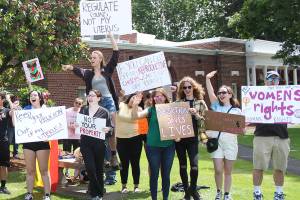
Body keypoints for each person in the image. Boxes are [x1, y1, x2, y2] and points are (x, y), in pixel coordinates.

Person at [62, 33, 119, 184]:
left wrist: (111, 37)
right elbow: (78, 70)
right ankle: (103, 165)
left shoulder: (107, 71)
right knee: (99, 136)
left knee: (112, 129)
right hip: (96, 106)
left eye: (94, 57)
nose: (91, 59)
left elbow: (116, 53)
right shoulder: (88, 74)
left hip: (108, 102)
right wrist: (70, 67)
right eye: (91, 57)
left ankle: (113, 155)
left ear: (100, 59)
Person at [132, 88, 175, 200]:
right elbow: (136, 116)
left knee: (166, 175)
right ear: (153, 99)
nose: (158, 98)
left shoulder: (172, 109)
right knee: (154, 174)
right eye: (156, 96)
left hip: (169, 147)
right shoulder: (150, 110)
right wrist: (136, 103)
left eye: (161, 95)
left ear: (165, 97)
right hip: (153, 147)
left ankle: (165, 198)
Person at [252, 71, 289, 200]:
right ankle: (257, 192)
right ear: (265, 81)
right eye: (270, 79)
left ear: (279, 81)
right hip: (262, 135)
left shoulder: (286, 95)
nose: (273, 81)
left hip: (282, 136)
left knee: (280, 167)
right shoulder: (257, 95)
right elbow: (251, 114)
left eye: (276, 79)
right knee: (258, 166)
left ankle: (278, 193)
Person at [206, 71, 242, 200]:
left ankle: (227, 194)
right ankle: (218, 192)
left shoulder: (237, 111)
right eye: (219, 93)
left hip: (231, 144)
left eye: (224, 93)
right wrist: (207, 79)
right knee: (218, 169)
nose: (221, 95)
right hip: (217, 143)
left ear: (230, 94)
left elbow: (239, 128)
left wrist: (243, 125)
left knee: (228, 171)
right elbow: (210, 93)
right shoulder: (216, 106)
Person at [175, 77, 208, 200]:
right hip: (180, 140)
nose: (187, 89)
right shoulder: (177, 104)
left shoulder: (200, 103)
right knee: (182, 166)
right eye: (184, 87)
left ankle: (193, 190)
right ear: (182, 90)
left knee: (194, 166)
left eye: (189, 87)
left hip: (193, 139)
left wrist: (196, 114)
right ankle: (187, 193)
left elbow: (207, 121)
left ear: (193, 87)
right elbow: (171, 121)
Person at [79, 89, 112, 200]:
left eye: (93, 95)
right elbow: (79, 125)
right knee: (90, 168)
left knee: (98, 169)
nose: (90, 97)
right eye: (89, 95)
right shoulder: (83, 110)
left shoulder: (105, 111)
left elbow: (111, 128)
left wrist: (108, 129)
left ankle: (97, 195)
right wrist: (75, 125)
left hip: (99, 145)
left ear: (98, 98)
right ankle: (98, 191)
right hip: (85, 144)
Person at [21, 91, 51, 200]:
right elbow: (16, 124)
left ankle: (47, 195)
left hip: (42, 143)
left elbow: (53, 126)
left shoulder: (46, 110)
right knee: (30, 170)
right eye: (31, 96)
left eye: (35, 95)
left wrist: (49, 135)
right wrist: (14, 111)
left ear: (39, 98)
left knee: (44, 170)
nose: (32, 97)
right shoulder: (25, 110)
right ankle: (29, 194)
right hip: (28, 144)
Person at [115, 94, 143, 193]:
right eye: (133, 97)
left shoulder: (139, 109)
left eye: (137, 99)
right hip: (121, 140)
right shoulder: (121, 105)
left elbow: (141, 123)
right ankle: (124, 186)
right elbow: (125, 117)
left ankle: (136, 186)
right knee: (124, 164)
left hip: (136, 139)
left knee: (135, 163)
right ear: (129, 97)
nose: (134, 100)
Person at [62, 97, 83, 177]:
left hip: (77, 136)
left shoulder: (82, 113)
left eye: (79, 103)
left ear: (81, 105)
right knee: (67, 154)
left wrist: (77, 126)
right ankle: (66, 171)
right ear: (74, 103)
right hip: (67, 136)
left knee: (77, 155)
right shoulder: (67, 111)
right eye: (76, 103)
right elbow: (62, 121)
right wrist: (69, 125)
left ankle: (76, 173)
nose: (77, 105)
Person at [0, 92, 13, 195]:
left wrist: (9, 100)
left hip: (3, 141)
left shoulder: (6, 110)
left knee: (3, 165)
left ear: (2, 100)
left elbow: (13, 113)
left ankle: (3, 187)